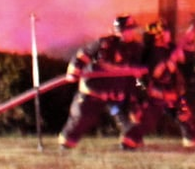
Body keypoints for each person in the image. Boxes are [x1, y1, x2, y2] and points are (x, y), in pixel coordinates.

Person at [59, 14, 144, 150]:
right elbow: (82, 55)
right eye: (127, 29)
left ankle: (129, 142)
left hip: (117, 95)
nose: (130, 33)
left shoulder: (136, 49)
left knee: (132, 116)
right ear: (119, 31)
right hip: (95, 91)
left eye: (131, 29)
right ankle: (67, 143)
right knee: (82, 117)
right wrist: (74, 71)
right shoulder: (104, 44)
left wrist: (141, 73)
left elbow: (144, 66)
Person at [138, 21, 195, 149]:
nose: (168, 34)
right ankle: (132, 139)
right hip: (155, 92)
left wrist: (189, 40)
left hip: (173, 90)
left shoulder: (170, 48)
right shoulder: (151, 53)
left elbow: (185, 58)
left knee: (184, 115)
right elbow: (157, 73)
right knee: (148, 119)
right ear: (157, 36)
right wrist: (169, 63)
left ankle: (190, 139)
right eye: (165, 32)